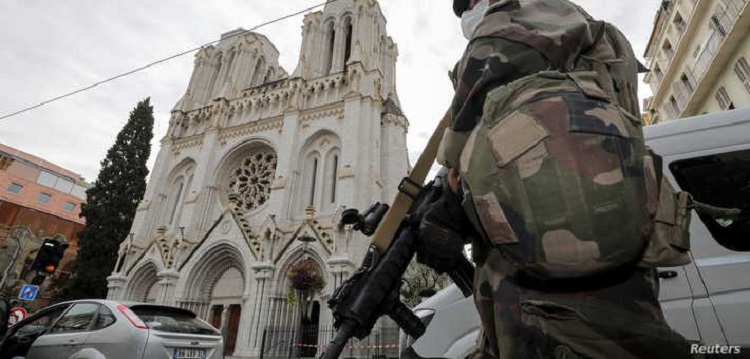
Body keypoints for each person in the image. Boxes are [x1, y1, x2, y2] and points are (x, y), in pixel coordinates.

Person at [415, 0, 698, 358]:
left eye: (469, 4)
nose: (468, 14)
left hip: (552, 289)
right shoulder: (587, 32)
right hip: (611, 258)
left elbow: (462, 156)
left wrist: (445, 209)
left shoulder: (512, 23)